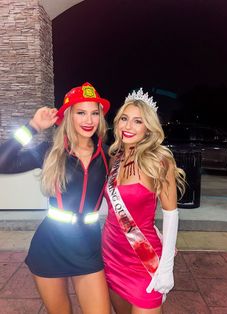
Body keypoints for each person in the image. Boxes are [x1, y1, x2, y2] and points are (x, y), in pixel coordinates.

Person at [0, 82, 112, 314]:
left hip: (88, 246)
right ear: (68, 116)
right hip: (50, 245)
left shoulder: (109, 155)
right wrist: (32, 127)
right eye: (81, 112)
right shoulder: (50, 151)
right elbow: (3, 162)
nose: (88, 120)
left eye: (94, 113)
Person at [102, 88, 186, 314]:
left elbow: (171, 213)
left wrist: (166, 267)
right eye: (124, 119)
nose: (128, 127)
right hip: (110, 252)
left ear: (148, 127)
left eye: (137, 121)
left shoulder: (160, 160)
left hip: (143, 259)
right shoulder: (114, 157)